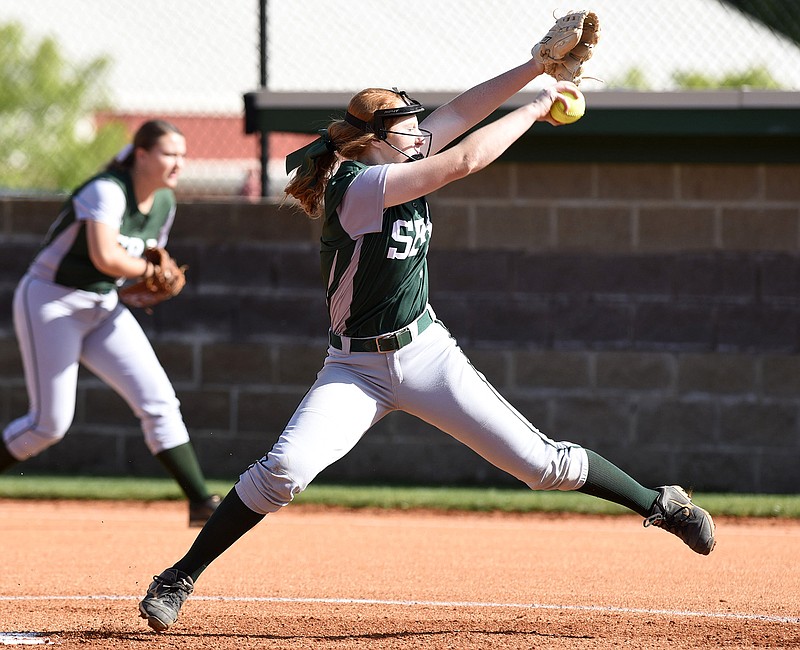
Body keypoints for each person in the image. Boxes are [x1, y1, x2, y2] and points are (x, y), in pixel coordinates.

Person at [137, 33, 716, 633]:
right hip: (355, 370)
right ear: (373, 140)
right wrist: (539, 106)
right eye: (408, 130)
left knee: (542, 466)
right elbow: (463, 159)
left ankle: (661, 503)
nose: (420, 135)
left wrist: (532, 67)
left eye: (417, 129)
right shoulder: (358, 185)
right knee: (282, 472)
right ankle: (178, 577)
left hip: (426, 353)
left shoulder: (395, 158)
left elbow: (463, 113)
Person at [0, 120, 220, 527]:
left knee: (159, 402)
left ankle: (200, 501)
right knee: (48, 424)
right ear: (141, 155)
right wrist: (149, 273)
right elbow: (105, 257)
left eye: (182, 155)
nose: (179, 163)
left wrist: (142, 287)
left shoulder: (165, 203)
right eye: (170, 153)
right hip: (52, 300)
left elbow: (134, 267)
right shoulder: (106, 189)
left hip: (102, 304)